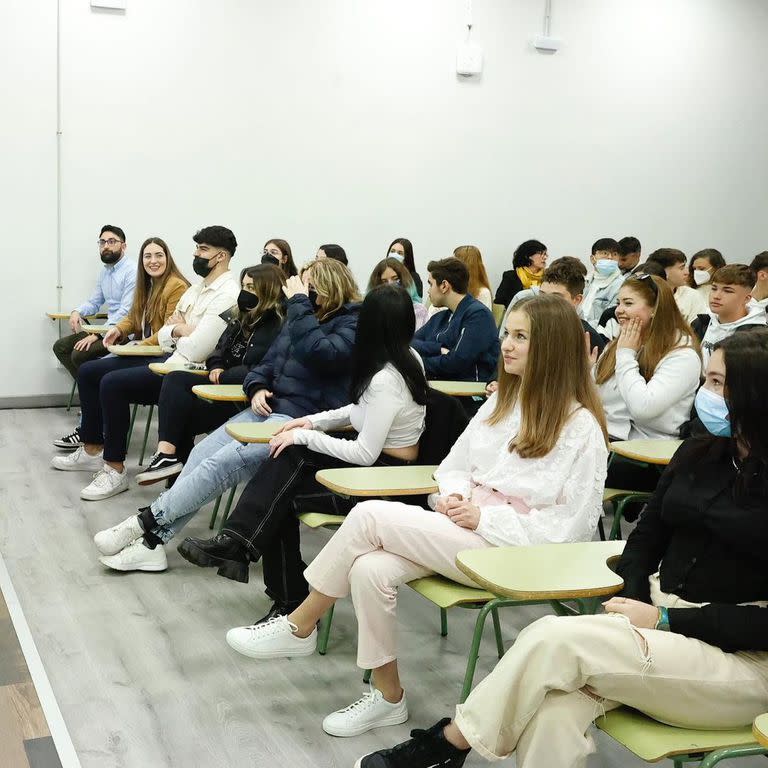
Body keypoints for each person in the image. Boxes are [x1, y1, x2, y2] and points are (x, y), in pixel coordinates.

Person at [354, 330, 768, 768]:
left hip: (740, 663)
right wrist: (637, 599)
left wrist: (666, 619)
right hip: (655, 627)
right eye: (707, 380)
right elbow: (646, 537)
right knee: (552, 709)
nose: (706, 394)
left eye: (719, 384)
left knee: (555, 638)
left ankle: (449, 744)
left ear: (754, 394)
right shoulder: (701, 452)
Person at [220, 294, 609, 739]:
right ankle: (388, 698)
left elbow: (570, 529)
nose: (507, 345)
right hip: (467, 530)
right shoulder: (503, 404)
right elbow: (454, 467)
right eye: (508, 334)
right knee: (368, 569)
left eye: (521, 337)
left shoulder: (581, 428)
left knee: (368, 515)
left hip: (513, 552)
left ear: (554, 349)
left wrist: (482, 518)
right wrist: (455, 499)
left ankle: (300, 624)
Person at [175, 284, 428, 622]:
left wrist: (304, 437)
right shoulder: (399, 360)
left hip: (383, 479)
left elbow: (365, 453)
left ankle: (279, 589)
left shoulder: (387, 378)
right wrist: (308, 422)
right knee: (283, 462)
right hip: (375, 466)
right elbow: (355, 410)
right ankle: (244, 552)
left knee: (282, 493)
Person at [93, 258, 362, 572]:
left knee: (224, 463)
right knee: (201, 454)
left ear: (328, 287)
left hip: (300, 419)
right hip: (268, 406)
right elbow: (267, 365)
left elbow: (324, 355)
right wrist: (258, 386)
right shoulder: (302, 315)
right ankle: (154, 544)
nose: (301, 292)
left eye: (308, 286)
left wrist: (300, 304)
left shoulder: (353, 322)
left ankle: (144, 525)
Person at [51, 227, 239, 500]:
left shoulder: (225, 293)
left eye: (202, 250)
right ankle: (93, 446)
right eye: (196, 248)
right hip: (171, 359)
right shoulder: (197, 289)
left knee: (111, 382)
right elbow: (165, 333)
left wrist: (175, 332)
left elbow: (198, 348)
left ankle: (114, 468)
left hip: (185, 371)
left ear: (221, 256)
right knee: (92, 371)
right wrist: (177, 330)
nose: (196, 255)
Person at [135, 264, 287, 486]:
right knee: (176, 379)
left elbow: (259, 367)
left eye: (252, 287)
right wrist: (216, 365)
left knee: (182, 418)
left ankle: (176, 489)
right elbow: (218, 348)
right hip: (220, 383)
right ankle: (167, 458)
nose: (245, 292)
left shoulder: (277, 324)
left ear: (268, 290)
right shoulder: (239, 314)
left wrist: (224, 375)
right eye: (244, 285)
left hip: (244, 395)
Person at [51, 237, 188, 453]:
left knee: (104, 378)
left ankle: (102, 444)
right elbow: (132, 317)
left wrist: (140, 344)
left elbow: (167, 333)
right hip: (142, 349)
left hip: (162, 354)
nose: (153, 261)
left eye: (158, 255)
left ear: (167, 258)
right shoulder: (148, 284)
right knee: (87, 370)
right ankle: (91, 443)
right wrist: (118, 329)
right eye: (148, 256)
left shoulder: (176, 286)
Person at [595, 274, 701, 493]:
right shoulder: (621, 342)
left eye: (628, 303)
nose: (619, 310)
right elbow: (593, 395)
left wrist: (626, 355)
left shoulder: (682, 354)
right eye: (618, 303)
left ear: (654, 309)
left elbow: (643, 408)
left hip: (647, 458)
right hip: (609, 444)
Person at [52, 225, 136, 380]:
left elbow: (126, 312)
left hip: (123, 332)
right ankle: (93, 390)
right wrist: (76, 311)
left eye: (111, 242)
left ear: (123, 246)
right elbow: (94, 302)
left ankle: (97, 392)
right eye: (102, 242)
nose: (106, 246)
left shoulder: (132, 271)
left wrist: (97, 334)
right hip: (105, 330)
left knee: (79, 355)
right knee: (61, 347)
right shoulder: (105, 271)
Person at [411, 258, 499, 382]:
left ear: (444, 286)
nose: (428, 290)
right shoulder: (441, 317)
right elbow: (408, 344)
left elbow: (456, 362)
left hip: (467, 394)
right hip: (440, 387)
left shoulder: (478, 315)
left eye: (431, 284)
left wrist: (416, 364)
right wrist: (438, 349)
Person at [691, 264, 765, 370]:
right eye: (714, 288)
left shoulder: (757, 336)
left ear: (747, 298)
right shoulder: (700, 323)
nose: (716, 296)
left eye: (727, 291)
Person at [646, 248, 708, 323]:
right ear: (664, 271)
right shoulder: (645, 295)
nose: (687, 272)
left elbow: (698, 329)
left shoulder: (692, 295)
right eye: (681, 268)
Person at [366, 258, 428, 329]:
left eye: (395, 279)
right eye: (384, 281)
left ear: (404, 280)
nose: (390, 284)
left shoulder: (418, 311)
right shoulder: (371, 311)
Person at [581, 238, 625, 328]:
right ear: (593, 259)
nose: (610, 257)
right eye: (605, 253)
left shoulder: (621, 285)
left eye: (614, 254)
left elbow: (609, 319)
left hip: (598, 333)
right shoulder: (586, 281)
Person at [493, 239, 547, 307]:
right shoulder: (510, 276)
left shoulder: (548, 277)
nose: (545, 257)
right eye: (541, 254)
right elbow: (499, 301)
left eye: (545, 254)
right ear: (528, 256)